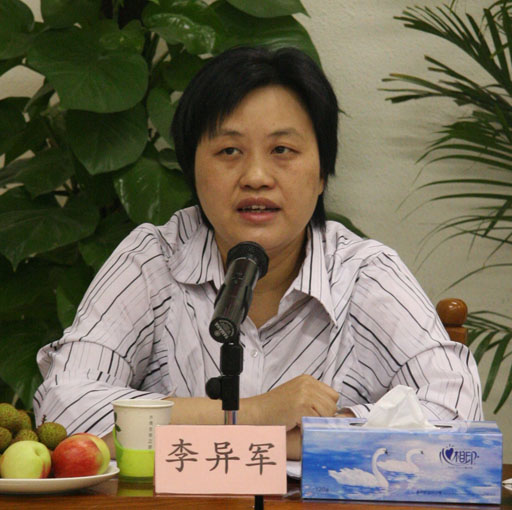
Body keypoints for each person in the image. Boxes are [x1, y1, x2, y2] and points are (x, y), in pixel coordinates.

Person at [33, 46, 483, 460]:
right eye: (229, 150)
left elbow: (457, 419)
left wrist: (288, 440)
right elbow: (64, 409)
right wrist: (256, 414)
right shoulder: (153, 259)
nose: (256, 176)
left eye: (282, 150)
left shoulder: (363, 272)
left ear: (322, 173)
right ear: (193, 169)